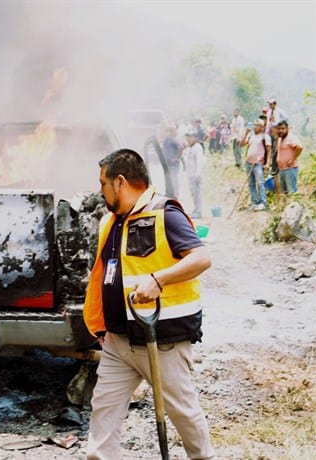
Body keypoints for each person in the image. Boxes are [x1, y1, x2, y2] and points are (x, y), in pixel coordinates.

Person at [83, 148, 215, 460]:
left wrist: (158, 280)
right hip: (117, 342)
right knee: (103, 415)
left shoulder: (164, 213)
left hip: (161, 341)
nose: (99, 191)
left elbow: (202, 258)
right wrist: (102, 327)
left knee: (182, 412)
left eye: (103, 184)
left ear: (120, 182)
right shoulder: (110, 221)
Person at [240, 119, 271, 211]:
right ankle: (255, 202)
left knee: (260, 183)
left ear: (262, 127)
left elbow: (269, 150)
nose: (255, 127)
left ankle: (263, 202)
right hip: (249, 163)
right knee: (251, 184)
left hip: (258, 164)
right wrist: (245, 134)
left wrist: (268, 163)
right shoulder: (251, 136)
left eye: (257, 125)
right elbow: (241, 144)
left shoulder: (265, 137)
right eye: (254, 125)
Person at [275, 120, 304, 193]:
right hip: (282, 170)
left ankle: (293, 204)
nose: (280, 130)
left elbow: (299, 147)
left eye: (283, 128)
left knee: (291, 191)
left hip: (290, 169)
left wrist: (292, 159)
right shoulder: (280, 139)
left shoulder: (291, 137)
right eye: (279, 129)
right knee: (284, 193)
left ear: (287, 129)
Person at [184, 131, 205, 219]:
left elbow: (199, 162)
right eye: (188, 137)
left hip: (196, 175)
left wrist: (197, 173)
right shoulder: (191, 148)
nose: (188, 139)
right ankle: (196, 210)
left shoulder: (198, 147)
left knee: (197, 194)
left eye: (191, 137)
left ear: (195, 138)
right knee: (193, 193)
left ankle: (198, 212)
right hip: (191, 175)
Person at [161, 124, 184, 199]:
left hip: (173, 165)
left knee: (174, 179)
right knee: (168, 179)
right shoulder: (166, 140)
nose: (166, 133)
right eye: (166, 131)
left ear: (171, 132)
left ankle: (175, 195)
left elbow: (181, 147)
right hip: (167, 164)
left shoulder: (173, 140)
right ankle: (169, 194)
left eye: (168, 132)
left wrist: (176, 158)